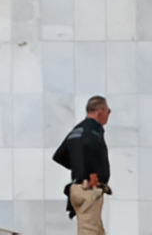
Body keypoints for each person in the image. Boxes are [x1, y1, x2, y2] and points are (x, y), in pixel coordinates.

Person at [53, 96, 112, 234]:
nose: (108, 114)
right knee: (90, 231)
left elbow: (59, 156)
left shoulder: (77, 130)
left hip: (77, 188)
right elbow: (90, 154)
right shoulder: (93, 131)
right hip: (88, 188)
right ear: (100, 111)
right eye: (108, 111)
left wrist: (77, 167)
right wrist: (90, 177)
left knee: (95, 230)